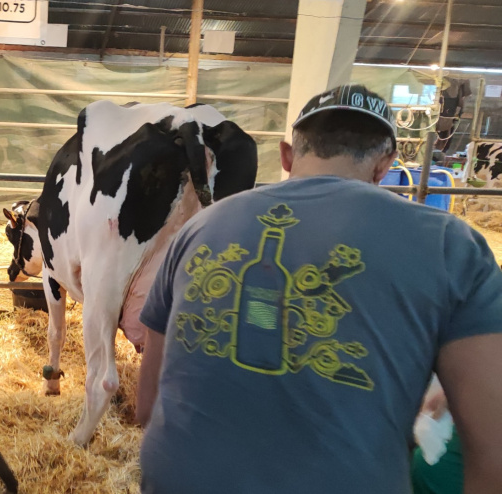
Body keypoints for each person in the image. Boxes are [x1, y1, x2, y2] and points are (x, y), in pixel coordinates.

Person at [138, 84, 502, 493]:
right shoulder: (452, 247)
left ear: (286, 156)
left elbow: (147, 406)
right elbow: (493, 457)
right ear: (385, 164)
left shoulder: (198, 229)